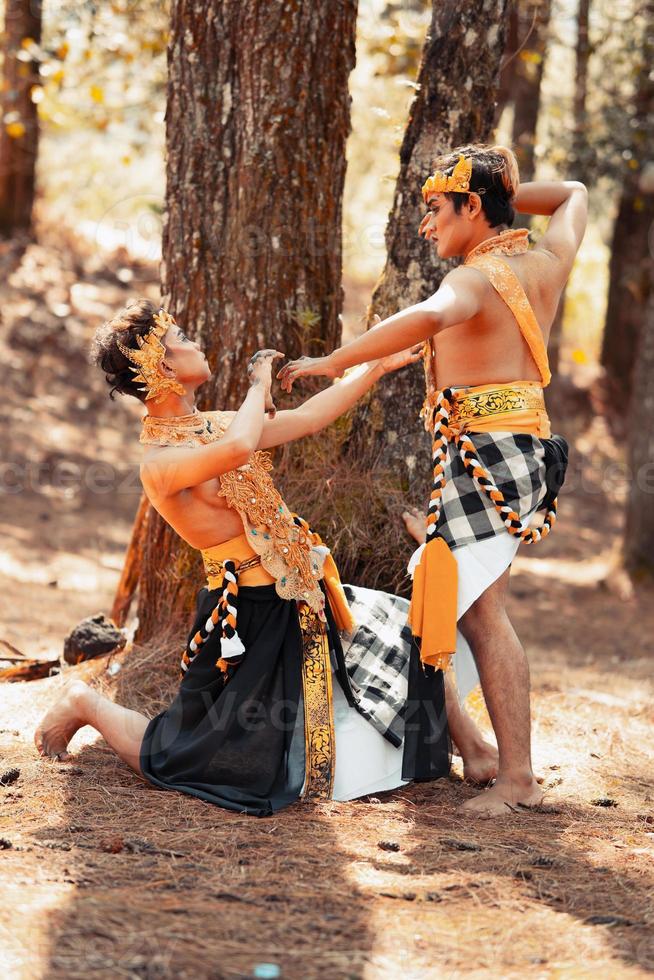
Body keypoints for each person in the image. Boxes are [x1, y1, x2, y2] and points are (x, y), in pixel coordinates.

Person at [34, 300, 497, 817]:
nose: (194, 339)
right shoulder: (160, 464)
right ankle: (85, 703)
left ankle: (476, 749)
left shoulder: (215, 424)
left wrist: (377, 366)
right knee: (189, 756)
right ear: (162, 367)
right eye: (181, 335)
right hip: (246, 617)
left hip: (303, 591)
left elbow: (306, 417)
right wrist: (259, 383)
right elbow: (237, 450)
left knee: (413, 632)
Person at [278, 144, 587, 816]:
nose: (426, 226)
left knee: (477, 611)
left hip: (489, 454)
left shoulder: (476, 281)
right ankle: (475, 748)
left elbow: (425, 318)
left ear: (472, 207)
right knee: (435, 591)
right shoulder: (546, 260)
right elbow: (573, 195)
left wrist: (334, 360)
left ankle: (516, 777)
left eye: (437, 209)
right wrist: (503, 189)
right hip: (507, 449)